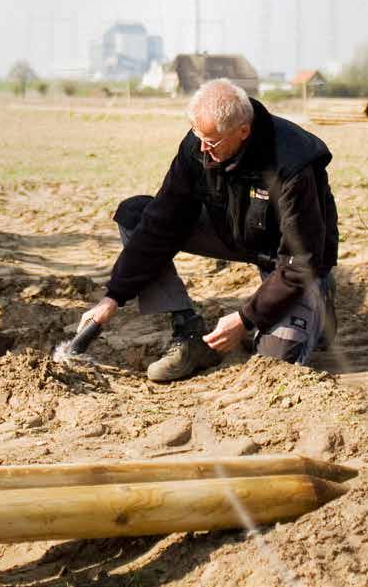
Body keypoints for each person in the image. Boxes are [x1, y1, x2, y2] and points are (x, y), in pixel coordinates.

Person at [79, 78, 339, 382]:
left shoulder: (292, 163)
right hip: (232, 233)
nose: (202, 149)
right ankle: (188, 332)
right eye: (197, 136)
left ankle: (318, 302)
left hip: (290, 259)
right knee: (136, 215)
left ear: (243, 131)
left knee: (276, 361)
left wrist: (245, 319)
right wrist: (113, 296)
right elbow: (161, 221)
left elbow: (300, 262)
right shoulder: (200, 144)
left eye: (212, 142)